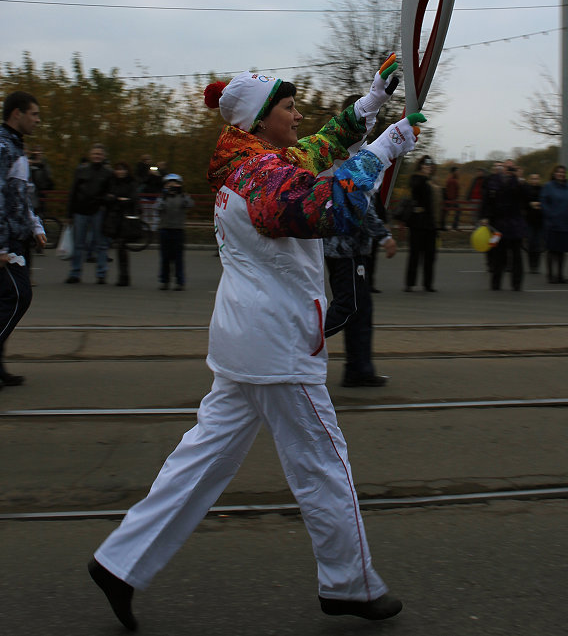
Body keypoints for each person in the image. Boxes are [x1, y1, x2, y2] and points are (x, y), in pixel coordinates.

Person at [88, 59, 424, 629]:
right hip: (278, 344)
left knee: (201, 458)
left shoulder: (248, 165)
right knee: (323, 463)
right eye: (289, 108)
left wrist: (368, 107)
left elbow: (315, 154)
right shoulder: (261, 179)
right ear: (262, 119)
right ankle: (349, 583)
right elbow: (322, 206)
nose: (298, 116)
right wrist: (387, 146)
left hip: (245, 340)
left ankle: (120, 562)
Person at [0, 91, 47, 389]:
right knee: (18, 296)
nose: (38, 120)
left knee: (7, 299)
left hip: (16, 237)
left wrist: (35, 225)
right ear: (17, 113)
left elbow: (20, 195)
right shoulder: (4, 147)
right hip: (6, 243)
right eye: (34, 114)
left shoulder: (16, 147)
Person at [324, 204, 396, 387]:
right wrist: (384, 237)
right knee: (347, 308)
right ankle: (296, 340)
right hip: (347, 251)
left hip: (345, 249)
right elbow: (360, 204)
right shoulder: (355, 175)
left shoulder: (346, 174)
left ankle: (359, 370)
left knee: (361, 310)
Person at [65, 144, 112, 284]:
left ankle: (101, 273)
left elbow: (110, 193)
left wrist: (105, 205)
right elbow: (73, 192)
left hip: (98, 211)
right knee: (79, 244)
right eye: (95, 154)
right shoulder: (81, 170)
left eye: (99, 154)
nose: (97, 156)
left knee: (101, 244)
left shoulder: (108, 173)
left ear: (103, 156)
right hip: (80, 210)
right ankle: (75, 272)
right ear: (91, 155)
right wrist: (69, 213)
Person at [480, 158, 527, 291]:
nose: (508, 170)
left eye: (511, 168)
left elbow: (525, 197)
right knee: (496, 254)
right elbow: (486, 200)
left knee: (516, 255)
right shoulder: (493, 180)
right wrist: (484, 217)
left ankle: (516, 284)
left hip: (515, 225)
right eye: (506, 167)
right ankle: (496, 283)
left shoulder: (518, 182)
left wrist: (519, 180)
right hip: (497, 225)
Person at [405, 155, 439, 292]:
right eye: (425, 165)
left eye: (430, 166)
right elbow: (416, 187)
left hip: (430, 223)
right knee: (415, 254)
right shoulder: (417, 179)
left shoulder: (431, 183)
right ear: (420, 166)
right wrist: (425, 178)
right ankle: (410, 283)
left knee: (430, 255)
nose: (427, 168)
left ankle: (428, 283)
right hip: (417, 223)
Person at [103, 162, 139, 287]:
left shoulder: (131, 183)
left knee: (122, 246)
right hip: (114, 218)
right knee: (118, 246)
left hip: (126, 218)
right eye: (118, 170)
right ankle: (121, 275)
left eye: (123, 170)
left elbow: (133, 199)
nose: (120, 172)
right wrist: (119, 199)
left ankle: (124, 276)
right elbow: (107, 198)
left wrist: (117, 199)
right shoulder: (112, 182)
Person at [156, 173, 193, 290]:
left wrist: (183, 195)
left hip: (178, 230)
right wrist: (164, 196)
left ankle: (179, 281)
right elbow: (157, 208)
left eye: (175, 183)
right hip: (165, 229)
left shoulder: (182, 197)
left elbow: (190, 204)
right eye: (169, 183)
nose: (172, 185)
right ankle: (164, 280)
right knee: (165, 257)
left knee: (178, 258)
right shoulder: (162, 197)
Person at [540, 164, 568, 284]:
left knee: (562, 251)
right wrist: (550, 215)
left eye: (563, 172)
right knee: (552, 250)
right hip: (552, 223)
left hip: (566, 223)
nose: (561, 174)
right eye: (558, 172)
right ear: (554, 174)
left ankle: (560, 275)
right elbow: (544, 202)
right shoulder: (548, 186)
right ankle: (551, 275)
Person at [524, 173, 544, 273]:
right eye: (533, 179)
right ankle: (531, 264)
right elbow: (524, 203)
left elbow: (545, 201)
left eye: (536, 178)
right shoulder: (527, 190)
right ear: (530, 180)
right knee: (531, 242)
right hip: (530, 220)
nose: (534, 180)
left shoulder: (542, 189)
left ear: (539, 179)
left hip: (540, 221)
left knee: (538, 244)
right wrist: (530, 204)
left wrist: (539, 204)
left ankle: (536, 265)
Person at [441, 165, 460, 230]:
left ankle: (443, 225)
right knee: (457, 211)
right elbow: (451, 192)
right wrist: (452, 200)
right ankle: (454, 226)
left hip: (450, 199)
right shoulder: (452, 180)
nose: (458, 172)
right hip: (451, 199)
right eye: (457, 171)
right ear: (454, 172)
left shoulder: (452, 179)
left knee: (446, 212)